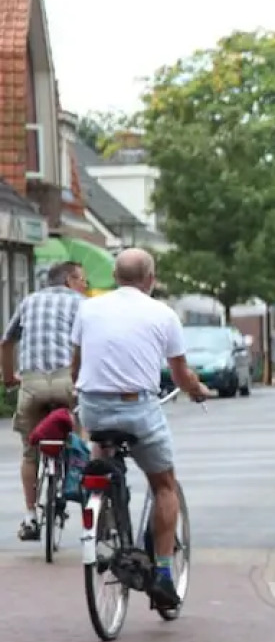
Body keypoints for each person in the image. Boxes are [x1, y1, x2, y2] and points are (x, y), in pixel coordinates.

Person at [70, 249, 210, 610]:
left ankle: (105, 514)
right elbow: (180, 374)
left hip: (94, 407)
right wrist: (196, 390)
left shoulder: (88, 309)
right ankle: (163, 573)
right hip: (137, 407)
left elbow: (77, 365)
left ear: (115, 277)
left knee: (103, 453)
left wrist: (82, 395)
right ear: (151, 278)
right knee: (164, 485)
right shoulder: (163, 313)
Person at [3, 260, 88, 540]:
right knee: (82, 428)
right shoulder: (82, 304)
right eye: (81, 280)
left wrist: (8, 379)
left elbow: (6, 342)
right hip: (68, 382)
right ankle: (78, 474)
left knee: (30, 450)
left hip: (33, 383)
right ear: (68, 281)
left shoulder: (28, 302)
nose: (84, 285)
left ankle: (29, 517)